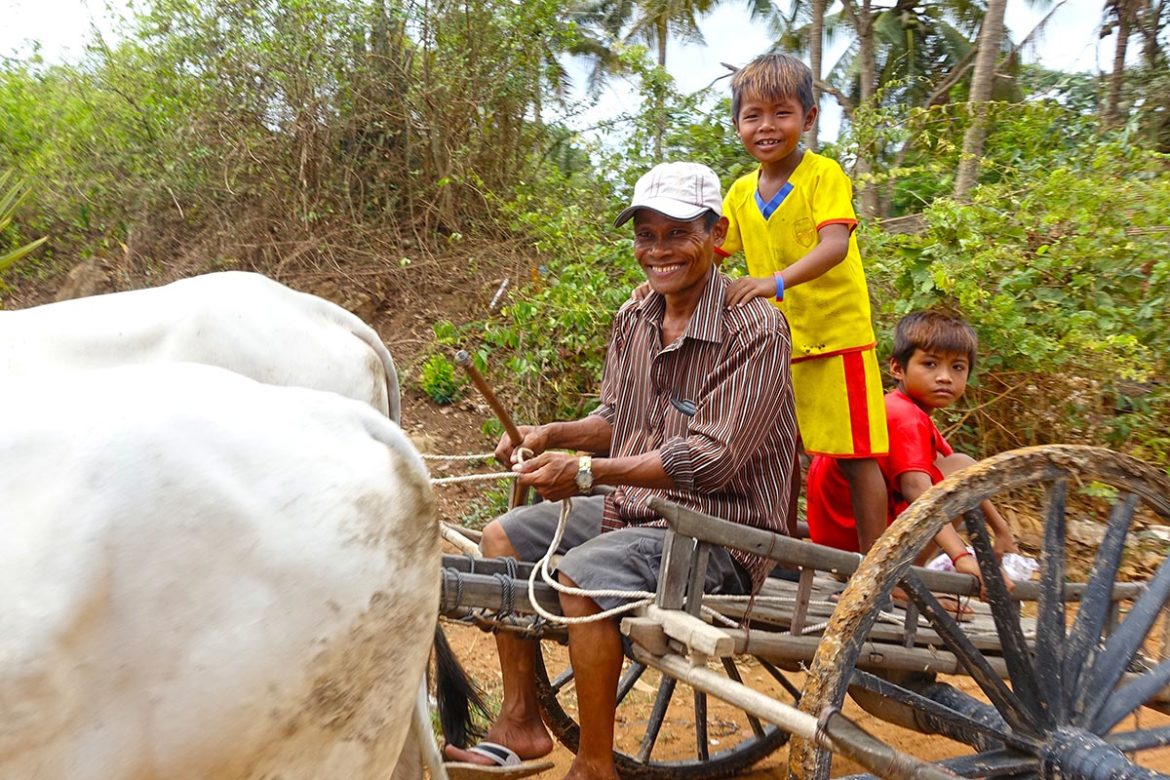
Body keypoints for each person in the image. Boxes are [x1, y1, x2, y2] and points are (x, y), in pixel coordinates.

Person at [443, 161, 798, 780]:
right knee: (502, 538)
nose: (659, 251)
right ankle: (521, 721)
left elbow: (711, 458)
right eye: (646, 235)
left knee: (582, 575)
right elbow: (618, 416)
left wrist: (585, 472)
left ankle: (595, 765)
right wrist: (553, 435)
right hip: (634, 511)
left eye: (678, 233)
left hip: (722, 530)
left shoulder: (756, 328)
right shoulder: (635, 316)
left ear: (716, 235)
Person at [718, 52, 889, 553]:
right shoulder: (740, 192)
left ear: (808, 118)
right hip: (776, 344)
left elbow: (834, 246)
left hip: (837, 337)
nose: (766, 127)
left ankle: (877, 565)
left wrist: (772, 283)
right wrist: (661, 282)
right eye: (753, 116)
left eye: (782, 113)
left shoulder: (822, 175)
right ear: (737, 125)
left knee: (855, 456)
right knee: (778, 453)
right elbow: (711, 252)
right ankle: (780, 554)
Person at [806, 311, 1019, 581]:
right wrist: (961, 557)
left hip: (839, 536)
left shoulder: (904, 410)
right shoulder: (905, 416)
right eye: (930, 364)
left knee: (961, 467)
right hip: (855, 541)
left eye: (957, 367)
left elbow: (964, 471)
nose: (945, 377)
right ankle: (898, 583)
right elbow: (918, 489)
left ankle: (905, 575)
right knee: (953, 481)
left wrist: (1001, 530)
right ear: (897, 369)